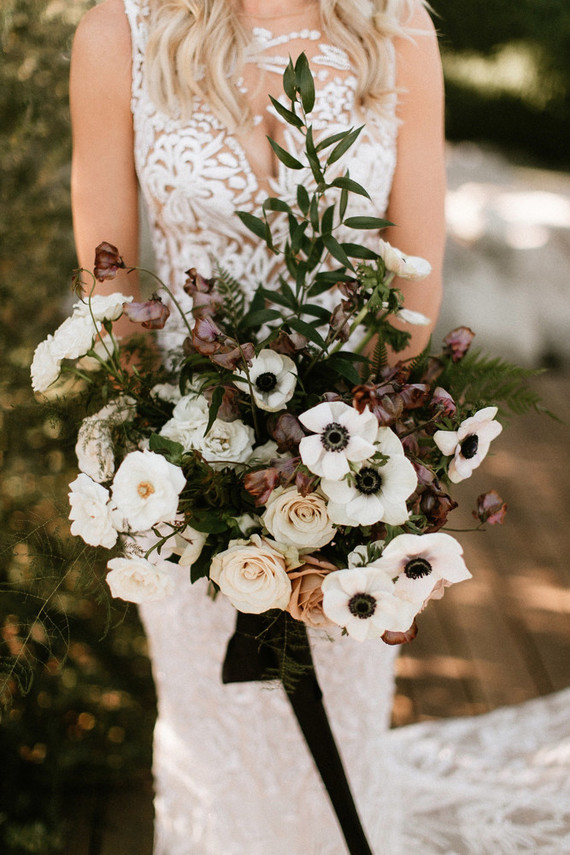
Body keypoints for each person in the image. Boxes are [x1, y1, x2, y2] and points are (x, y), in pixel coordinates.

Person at [69, 2, 570, 854]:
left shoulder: (395, 28)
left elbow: (414, 289)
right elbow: (109, 295)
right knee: (214, 742)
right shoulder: (120, 34)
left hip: (354, 463)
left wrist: (347, 461)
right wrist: (186, 468)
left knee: (343, 729)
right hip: (186, 472)